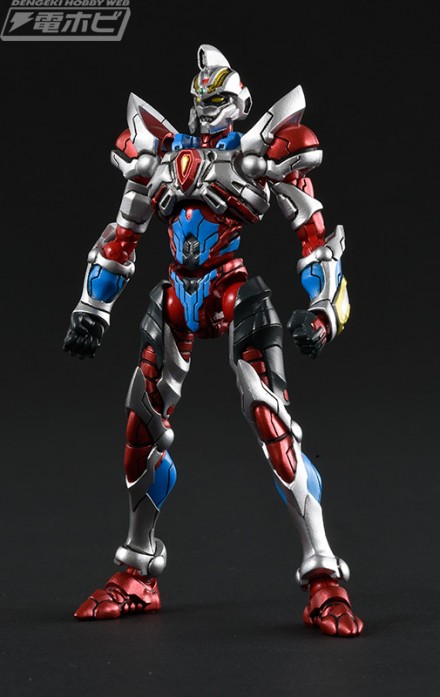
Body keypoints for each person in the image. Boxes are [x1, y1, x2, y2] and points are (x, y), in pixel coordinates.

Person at [64, 44, 363, 637]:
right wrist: (92, 308)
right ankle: (138, 571)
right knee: (141, 426)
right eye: (201, 98)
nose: (207, 108)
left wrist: (322, 311)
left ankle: (324, 577)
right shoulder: (159, 154)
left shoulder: (259, 153)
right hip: (176, 296)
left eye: (219, 98)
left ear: (241, 102)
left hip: (233, 292)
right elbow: (123, 234)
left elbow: (313, 235)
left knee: (272, 420)